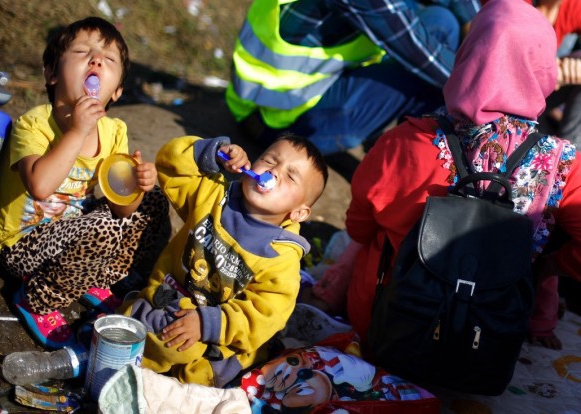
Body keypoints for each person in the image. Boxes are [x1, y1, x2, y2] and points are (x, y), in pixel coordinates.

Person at [307, 0, 581, 352]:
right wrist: (548, 265)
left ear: (468, 55)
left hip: (387, 319)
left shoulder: (407, 140)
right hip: (486, 341)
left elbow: (359, 227)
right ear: (543, 70)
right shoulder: (563, 167)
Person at [0, 17, 170, 349]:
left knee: (153, 201)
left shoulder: (115, 132)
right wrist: (77, 131)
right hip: (22, 246)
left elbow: (121, 208)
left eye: (108, 59)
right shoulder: (34, 124)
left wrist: (138, 187)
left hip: (76, 236)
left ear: (115, 91)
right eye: (83, 51)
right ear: (52, 74)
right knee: (101, 228)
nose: (96, 59)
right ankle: (37, 298)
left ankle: (90, 276)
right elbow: (39, 186)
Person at [120, 132, 329, 387]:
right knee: (137, 325)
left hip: (216, 332)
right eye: (271, 161)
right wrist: (213, 154)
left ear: (298, 213)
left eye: (290, 176)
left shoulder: (281, 258)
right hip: (165, 298)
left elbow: (265, 314)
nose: (275, 172)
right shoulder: (214, 195)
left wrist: (208, 323)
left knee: (189, 365)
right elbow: (170, 167)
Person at [226, 0, 480, 156]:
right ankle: (396, 167)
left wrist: (474, 23)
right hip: (274, 122)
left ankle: (395, 150)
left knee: (441, 20)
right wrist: (494, 83)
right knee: (444, 78)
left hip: (296, 94)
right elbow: (428, 58)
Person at [532, 0, 581, 146]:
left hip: (541, 87)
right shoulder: (515, 6)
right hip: (505, 101)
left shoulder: (571, 6)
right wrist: (553, 71)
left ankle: (570, 154)